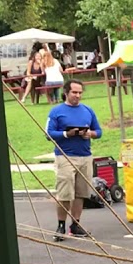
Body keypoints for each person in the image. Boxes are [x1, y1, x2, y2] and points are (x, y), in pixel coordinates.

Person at [45, 80, 101, 241]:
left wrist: (89, 134)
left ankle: (75, 225)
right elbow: (48, 134)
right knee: (64, 193)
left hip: (85, 156)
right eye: (74, 92)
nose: (77, 96)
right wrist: (66, 134)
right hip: (65, 157)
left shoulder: (88, 110)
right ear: (66, 93)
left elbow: (99, 131)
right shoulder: (56, 112)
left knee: (81, 193)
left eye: (80, 93)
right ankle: (60, 225)